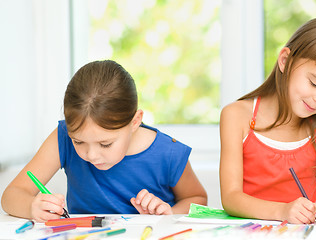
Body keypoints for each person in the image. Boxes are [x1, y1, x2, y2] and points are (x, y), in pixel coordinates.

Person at [1, 60, 207, 222]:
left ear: (135, 121)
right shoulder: (62, 136)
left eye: (106, 144)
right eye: (78, 142)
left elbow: (198, 201)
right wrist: (31, 207)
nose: (90, 155)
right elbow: (11, 195)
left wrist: (169, 212)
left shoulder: (168, 153)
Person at [219, 16, 316, 225]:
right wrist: (283, 211)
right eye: (315, 83)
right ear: (285, 61)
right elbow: (231, 198)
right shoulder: (237, 116)